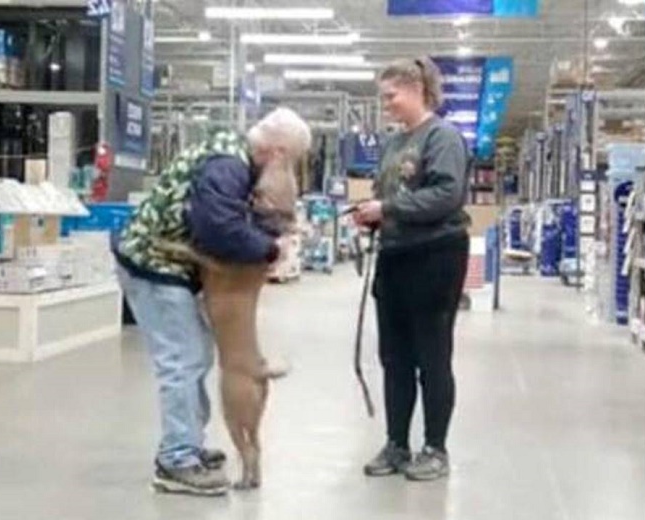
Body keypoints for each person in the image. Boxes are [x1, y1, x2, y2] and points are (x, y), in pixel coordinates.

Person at [115, 107, 311, 496]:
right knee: (184, 359)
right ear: (279, 153)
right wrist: (270, 250)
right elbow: (218, 229)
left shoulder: (230, 154)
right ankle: (177, 460)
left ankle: (189, 443)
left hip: (166, 260)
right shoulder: (227, 167)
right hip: (151, 263)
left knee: (198, 355)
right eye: (294, 161)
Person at [352, 57, 471, 482]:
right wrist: (371, 213)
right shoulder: (394, 144)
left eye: (391, 96)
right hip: (395, 255)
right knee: (394, 357)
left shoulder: (443, 138)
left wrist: (387, 208)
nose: (386, 105)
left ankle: (435, 448)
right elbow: (390, 192)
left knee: (432, 356)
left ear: (418, 89)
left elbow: (446, 196)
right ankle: (397, 443)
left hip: (435, 257)